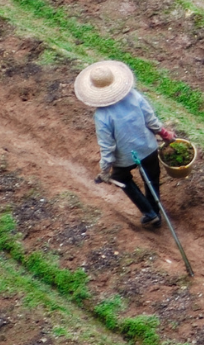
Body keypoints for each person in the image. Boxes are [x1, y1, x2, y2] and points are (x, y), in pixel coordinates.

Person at [75, 60, 175, 229]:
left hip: (125, 157)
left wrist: (105, 171)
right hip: (148, 148)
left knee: (120, 177)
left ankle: (149, 212)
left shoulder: (102, 116)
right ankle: (155, 212)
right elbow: (151, 120)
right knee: (152, 180)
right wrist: (164, 134)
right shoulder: (134, 96)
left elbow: (108, 147)